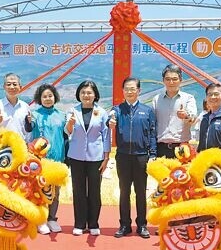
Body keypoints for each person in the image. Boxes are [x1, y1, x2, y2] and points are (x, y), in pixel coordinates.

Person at [109, 77, 156, 239]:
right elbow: (111, 119)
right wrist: (111, 120)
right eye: (126, 89)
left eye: (132, 89)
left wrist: (153, 154)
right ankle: (124, 224)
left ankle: (142, 225)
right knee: (124, 191)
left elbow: (152, 134)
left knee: (141, 192)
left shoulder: (147, 110)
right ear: (123, 91)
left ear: (139, 91)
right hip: (123, 156)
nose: (129, 91)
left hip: (141, 156)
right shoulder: (117, 109)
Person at [65, 81, 111, 236]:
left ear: (95, 95)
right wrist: (70, 124)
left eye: (89, 92)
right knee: (78, 190)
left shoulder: (102, 112)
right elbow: (68, 132)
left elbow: (106, 135)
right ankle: (79, 223)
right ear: (79, 94)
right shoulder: (72, 111)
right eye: (83, 92)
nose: (86, 95)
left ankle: (93, 223)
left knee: (94, 190)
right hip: (76, 156)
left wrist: (106, 156)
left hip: (96, 156)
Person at [25, 84, 67, 235]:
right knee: (39, 190)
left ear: (54, 97)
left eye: (50, 96)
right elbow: (29, 128)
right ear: (39, 99)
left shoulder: (62, 115)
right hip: (39, 161)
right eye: (44, 96)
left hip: (57, 159)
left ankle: (52, 219)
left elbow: (67, 135)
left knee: (55, 192)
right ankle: (40, 220)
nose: (48, 99)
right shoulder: (35, 114)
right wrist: (29, 121)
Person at [152, 64, 197, 158]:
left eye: (175, 79)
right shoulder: (156, 99)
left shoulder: (188, 98)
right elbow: (152, 123)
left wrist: (185, 116)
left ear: (181, 80)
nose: (171, 82)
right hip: (160, 148)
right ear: (163, 80)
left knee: (181, 173)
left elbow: (193, 119)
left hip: (182, 148)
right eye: (168, 79)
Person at [0, 73, 30, 140]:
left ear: (20, 87)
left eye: (15, 84)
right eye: (8, 84)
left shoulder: (25, 106)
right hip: (2, 146)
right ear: (4, 87)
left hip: (21, 147)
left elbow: (27, 129)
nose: (12, 87)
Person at [197, 83, 221, 158]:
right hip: (204, 163)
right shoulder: (204, 118)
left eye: (216, 94)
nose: (213, 97)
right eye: (210, 94)